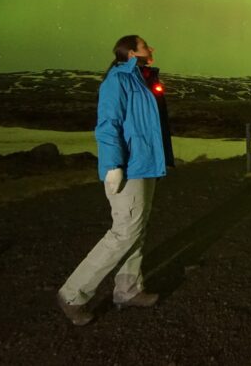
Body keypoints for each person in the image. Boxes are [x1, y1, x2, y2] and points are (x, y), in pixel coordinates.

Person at [57, 35, 166, 326]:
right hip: (128, 167)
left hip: (144, 165)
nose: (151, 49)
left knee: (137, 229)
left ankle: (128, 290)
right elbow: (108, 125)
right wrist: (113, 165)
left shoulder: (140, 79)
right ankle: (72, 294)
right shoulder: (117, 81)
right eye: (145, 46)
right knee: (124, 232)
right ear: (131, 53)